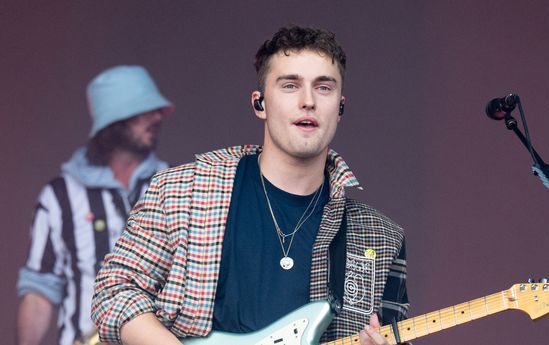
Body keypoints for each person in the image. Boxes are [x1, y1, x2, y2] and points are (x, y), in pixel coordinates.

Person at [92, 26, 409, 345]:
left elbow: (397, 335)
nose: (308, 101)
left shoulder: (380, 236)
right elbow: (115, 292)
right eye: (290, 85)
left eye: (323, 88)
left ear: (340, 107)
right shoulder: (181, 192)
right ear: (260, 104)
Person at [16, 65, 174, 345]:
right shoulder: (59, 197)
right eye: (144, 109)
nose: (157, 117)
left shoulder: (175, 187)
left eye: (157, 109)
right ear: (114, 122)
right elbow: (40, 292)